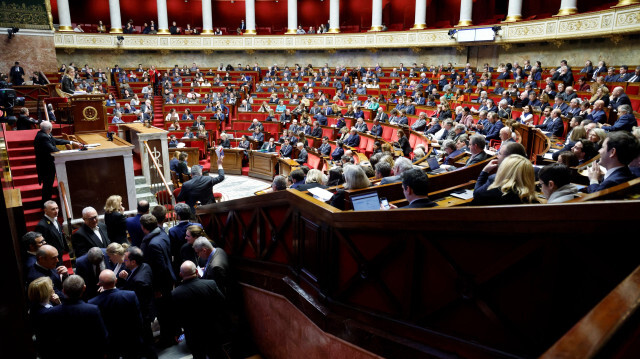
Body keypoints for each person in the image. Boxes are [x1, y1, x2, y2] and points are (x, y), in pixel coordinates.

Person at [37, 275, 108, 359]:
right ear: (84, 288)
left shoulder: (51, 312)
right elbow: (102, 335)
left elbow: (48, 340)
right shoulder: (92, 310)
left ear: (63, 291)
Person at [172, 261, 231, 359]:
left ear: (181, 274)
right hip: (212, 330)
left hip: (193, 334)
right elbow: (222, 304)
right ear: (196, 271)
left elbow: (175, 316)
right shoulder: (210, 284)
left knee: (198, 356)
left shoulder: (175, 293)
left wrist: (176, 332)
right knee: (217, 354)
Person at [140, 214, 178, 347]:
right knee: (167, 310)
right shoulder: (162, 234)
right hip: (168, 279)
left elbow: (160, 268)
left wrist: (157, 289)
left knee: (163, 313)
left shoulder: (152, 244)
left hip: (161, 284)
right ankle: (172, 335)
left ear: (143, 228)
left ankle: (167, 339)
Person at [89, 270, 144, 359]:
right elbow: (138, 319)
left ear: (99, 284)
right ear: (116, 281)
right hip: (130, 340)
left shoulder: (93, 303)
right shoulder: (130, 295)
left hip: (111, 344)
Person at [119, 246, 156, 358]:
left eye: (125, 260)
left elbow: (136, 298)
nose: (123, 261)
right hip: (147, 310)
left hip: (142, 315)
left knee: (147, 341)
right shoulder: (145, 266)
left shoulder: (139, 281)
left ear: (133, 262)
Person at [34, 121, 77, 205]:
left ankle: (47, 202)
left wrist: (71, 142)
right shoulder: (43, 137)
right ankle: (46, 203)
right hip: (46, 166)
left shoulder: (45, 134)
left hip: (48, 164)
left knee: (48, 184)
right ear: (49, 129)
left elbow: (56, 141)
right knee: (47, 184)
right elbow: (52, 149)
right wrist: (65, 153)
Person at [471, 155, 538, 206]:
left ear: (504, 170)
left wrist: (484, 171)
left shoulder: (495, 188)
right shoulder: (531, 199)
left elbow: (476, 194)